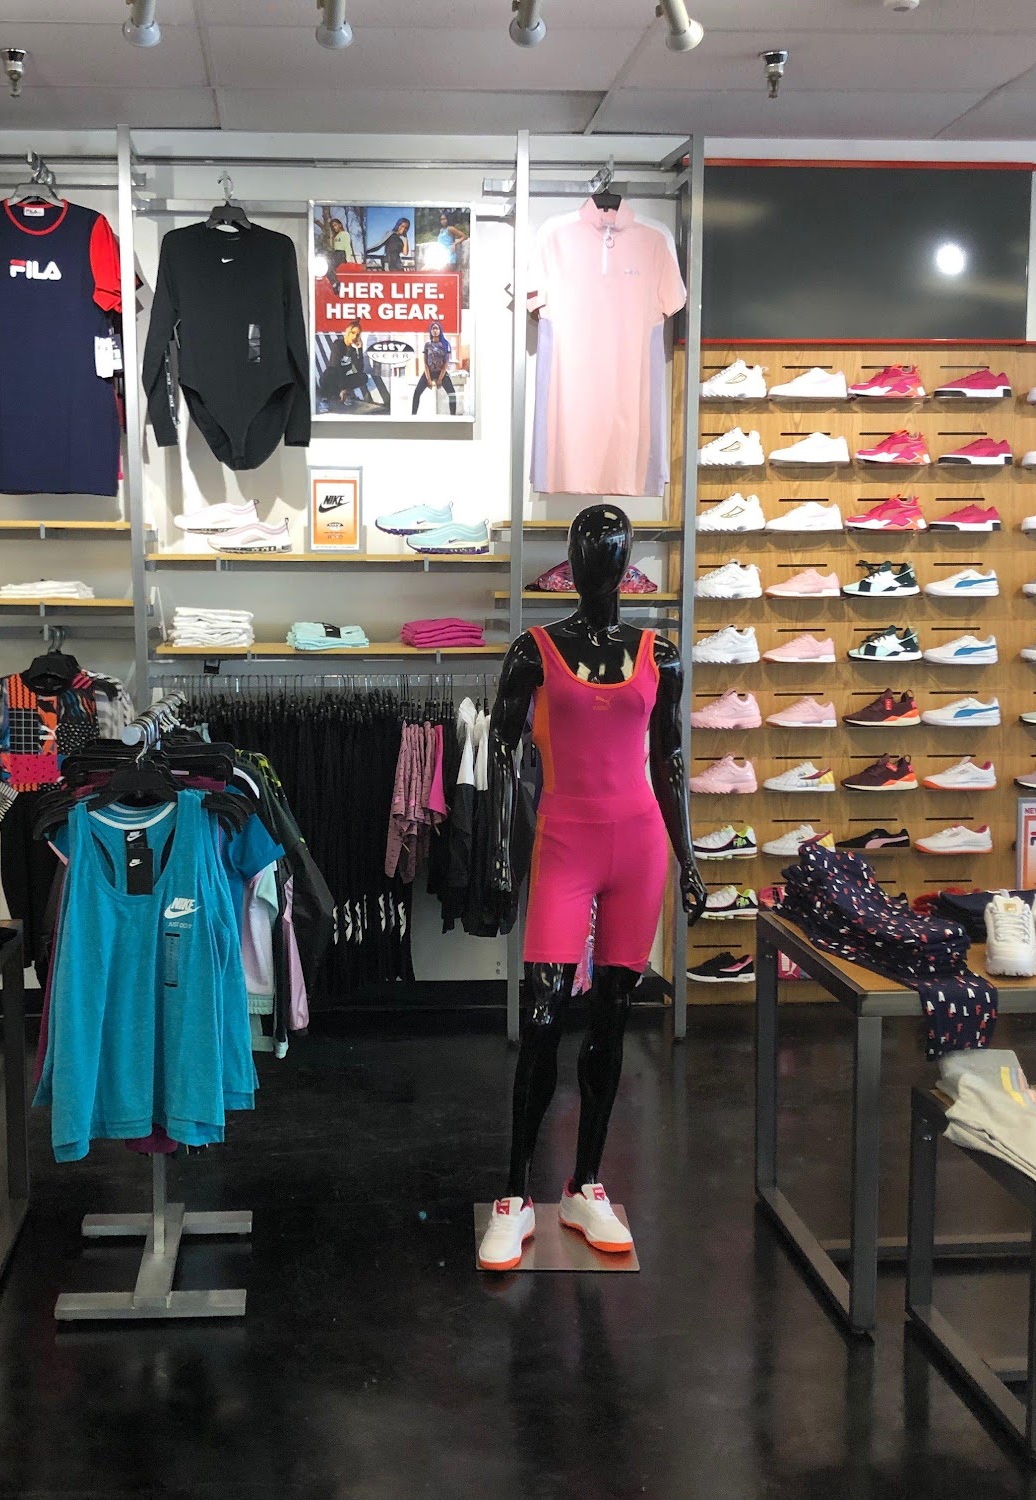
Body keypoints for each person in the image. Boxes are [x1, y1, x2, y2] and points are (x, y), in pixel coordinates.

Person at [472, 506, 706, 1272]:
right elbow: (501, 752)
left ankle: (586, 1184)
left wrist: (689, 858)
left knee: (612, 1017)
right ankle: (514, 1194)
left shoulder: (660, 655)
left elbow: (669, 761)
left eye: (611, 549)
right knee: (542, 1016)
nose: (596, 561)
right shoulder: (533, 651)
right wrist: (499, 852)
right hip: (565, 845)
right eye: (585, 547)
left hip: (638, 846)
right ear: (569, 561)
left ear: (628, 562)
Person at [316, 321, 376, 413]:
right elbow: (336, 366)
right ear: (347, 332)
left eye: (357, 334)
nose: (354, 336)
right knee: (331, 372)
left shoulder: (353, 350)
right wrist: (342, 388)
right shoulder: (338, 344)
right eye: (353, 333)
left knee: (363, 377)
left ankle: (340, 394)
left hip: (342, 379)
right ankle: (325, 399)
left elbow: (358, 370)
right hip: (330, 378)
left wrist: (360, 350)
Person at [411, 318, 457, 416]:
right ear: (430, 331)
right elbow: (425, 363)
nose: (435, 330)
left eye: (437, 328)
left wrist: (440, 379)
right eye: (433, 329)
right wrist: (428, 379)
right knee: (417, 392)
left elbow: (446, 363)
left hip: (441, 372)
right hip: (429, 372)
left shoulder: (445, 344)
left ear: (440, 331)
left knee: (452, 394)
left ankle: (453, 416)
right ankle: (413, 415)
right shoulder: (427, 345)